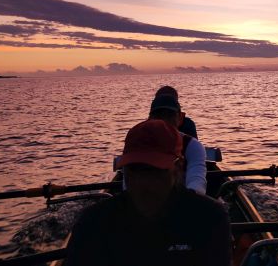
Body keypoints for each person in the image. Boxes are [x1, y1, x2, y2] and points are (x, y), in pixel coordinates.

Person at [65, 119, 231, 266]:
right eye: (134, 169)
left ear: (178, 167)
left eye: (153, 170)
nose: (141, 182)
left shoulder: (209, 219)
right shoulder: (93, 222)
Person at [148, 93, 207, 195]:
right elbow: (128, 186)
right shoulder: (139, 143)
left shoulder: (192, 145)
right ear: (150, 119)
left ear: (180, 118)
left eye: (169, 115)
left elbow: (197, 182)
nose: (164, 120)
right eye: (158, 115)